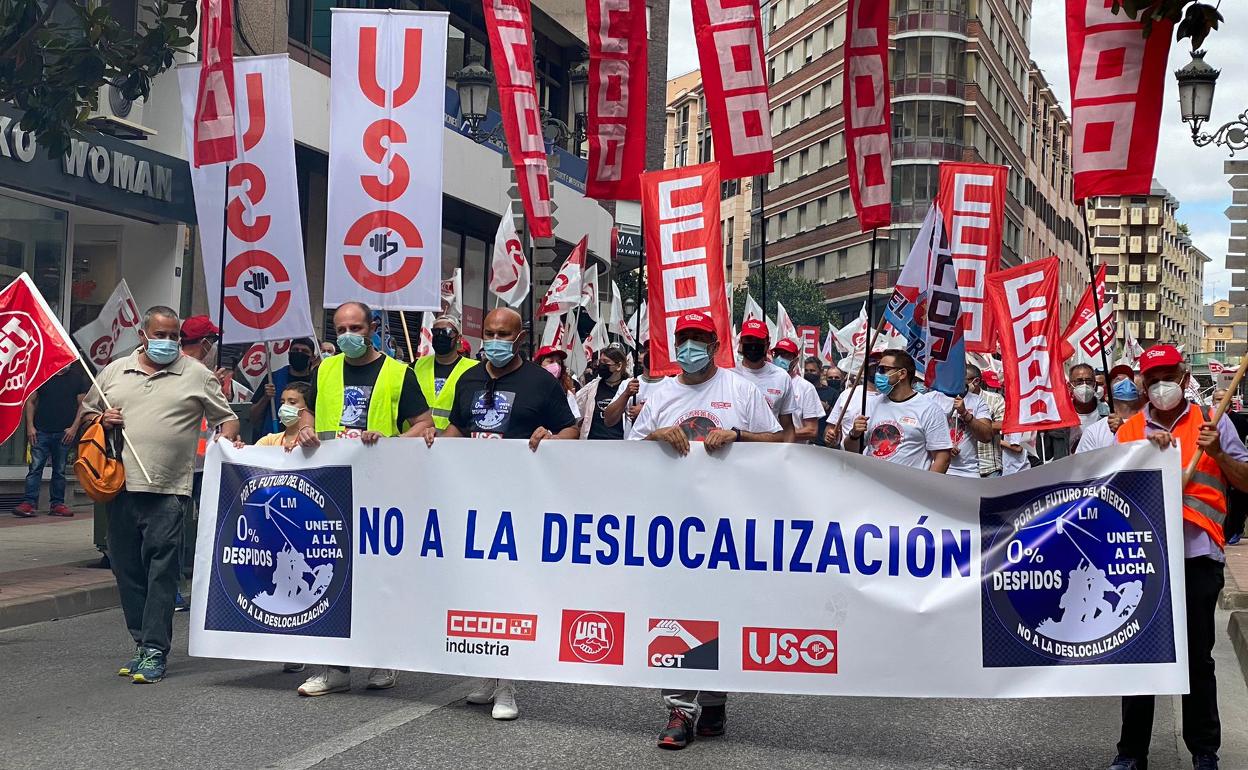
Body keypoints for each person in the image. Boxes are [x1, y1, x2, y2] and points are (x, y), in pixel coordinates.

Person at [627, 310, 781, 750]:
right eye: (684, 339)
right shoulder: (659, 394)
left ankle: (713, 699)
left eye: (700, 339)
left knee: (723, 609)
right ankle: (679, 707)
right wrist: (655, 433)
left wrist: (738, 435)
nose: (690, 347)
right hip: (672, 525)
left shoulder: (741, 390)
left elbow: (778, 443)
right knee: (676, 610)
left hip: (729, 525)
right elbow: (628, 453)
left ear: (715, 346)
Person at [82, 306, 241, 684]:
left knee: (161, 572)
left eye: (174, 336)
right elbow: (88, 414)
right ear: (143, 335)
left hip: (169, 490)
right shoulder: (115, 371)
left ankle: (155, 649)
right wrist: (102, 419)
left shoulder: (197, 375)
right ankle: (140, 642)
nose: (168, 342)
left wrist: (228, 437)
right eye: (161, 335)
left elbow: (227, 417)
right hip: (119, 487)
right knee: (127, 569)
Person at [1108, 345, 1248, 770]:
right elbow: (1111, 492)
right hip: (1143, 561)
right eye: (1152, 378)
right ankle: (1131, 753)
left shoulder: (1215, 424)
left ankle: (1204, 751)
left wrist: (1220, 453)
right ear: (1142, 384)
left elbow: (1244, 482)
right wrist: (1147, 455)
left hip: (1198, 555)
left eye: (1168, 374)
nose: (1160, 384)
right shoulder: (1129, 432)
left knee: (1197, 658)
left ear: (1185, 376)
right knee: (1139, 656)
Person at [441, 307, 578, 720]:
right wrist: (434, 442)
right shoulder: (467, 379)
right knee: (477, 587)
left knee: (508, 590)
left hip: (519, 506)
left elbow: (572, 429)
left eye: (504, 334)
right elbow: (457, 431)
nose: (495, 340)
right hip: (472, 502)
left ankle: (507, 685)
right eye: (489, 333)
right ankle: (486, 673)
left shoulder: (540, 382)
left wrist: (550, 438)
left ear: (519, 339)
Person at [294, 301, 434, 697]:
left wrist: (390, 444)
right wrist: (304, 428)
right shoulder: (326, 369)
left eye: (355, 327)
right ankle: (334, 667)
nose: (347, 336)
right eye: (340, 329)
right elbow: (309, 414)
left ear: (373, 327)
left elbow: (423, 425)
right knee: (327, 572)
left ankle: (382, 656)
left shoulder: (397, 373)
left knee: (376, 576)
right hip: (329, 487)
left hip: (379, 489)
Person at [844, 349, 952, 472]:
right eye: (878, 369)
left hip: (905, 488)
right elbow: (852, 451)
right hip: (870, 483)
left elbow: (942, 458)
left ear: (902, 374)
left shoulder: (929, 409)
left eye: (883, 370)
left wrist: (923, 489)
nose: (878, 374)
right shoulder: (872, 404)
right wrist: (854, 434)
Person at [15, 364, 89, 517]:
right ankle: (29, 503)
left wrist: (74, 428)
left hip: (64, 432)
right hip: (41, 431)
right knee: (35, 469)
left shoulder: (77, 378)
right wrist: (30, 427)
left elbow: (83, 405)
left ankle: (57, 504)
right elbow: (30, 401)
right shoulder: (42, 374)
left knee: (59, 470)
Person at [413, 316, 479, 431]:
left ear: (458, 338)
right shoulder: (417, 366)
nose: (440, 336)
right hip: (417, 440)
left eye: (446, 332)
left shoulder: (474, 370)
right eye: (436, 332)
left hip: (453, 442)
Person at [734, 319, 796, 441]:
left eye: (758, 341)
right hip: (734, 450)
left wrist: (788, 456)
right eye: (749, 340)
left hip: (768, 450)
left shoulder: (781, 377)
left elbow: (787, 426)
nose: (753, 345)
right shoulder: (730, 373)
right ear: (741, 343)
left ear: (767, 345)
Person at [924, 370, 993, 478]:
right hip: (934, 470)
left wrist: (965, 414)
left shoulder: (977, 401)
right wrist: (943, 448)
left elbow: (987, 436)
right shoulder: (928, 399)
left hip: (968, 473)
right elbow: (918, 435)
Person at [249, 337, 319, 442]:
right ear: (289, 353)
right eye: (295, 350)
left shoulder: (318, 381)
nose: (299, 353)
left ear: (313, 357)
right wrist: (266, 398)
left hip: (306, 441)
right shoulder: (272, 378)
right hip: (273, 443)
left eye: (304, 351)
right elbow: (252, 417)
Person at [179, 316, 252, 403]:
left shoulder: (172, 361)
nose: (213, 344)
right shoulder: (197, 370)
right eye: (214, 339)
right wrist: (212, 384)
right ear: (204, 342)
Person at [1076, 364, 1143, 454]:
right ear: (1107, 396)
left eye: (1130, 380)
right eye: (1118, 380)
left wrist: (1124, 430)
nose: (1126, 382)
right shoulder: (1094, 432)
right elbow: (1083, 465)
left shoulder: (1152, 423)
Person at [575, 344, 635, 439]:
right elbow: (575, 410)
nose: (601, 366)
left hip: (620, 445)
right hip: (593, 443)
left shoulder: (631, 388)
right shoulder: (592, 387)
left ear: (619, 366)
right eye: (600, 362)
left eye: (605, 362)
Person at [1215, 387, 1248, 546]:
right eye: (1217, 399)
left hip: (1235, 464)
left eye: (1223, 399)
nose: (1220, 403)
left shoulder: (1240, 420)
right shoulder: (1211, 419)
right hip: (1218, 470)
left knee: (1238, 501)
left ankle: (1236, 529)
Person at [776, 344, 821, 443]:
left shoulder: (806, 388)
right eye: (778, 354)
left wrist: (780, 436)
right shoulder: (766, 383)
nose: (780, 358)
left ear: (795, 360)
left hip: (794, 452)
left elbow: (811, 430)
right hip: (765, 449)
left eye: (786, 355)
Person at [969, 367, 1005, 477]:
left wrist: (973, 424)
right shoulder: (956, 400)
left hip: (988, 466)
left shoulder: (995, 399)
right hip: (964, 468)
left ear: (976, 382)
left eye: (963, 380)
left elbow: (1003, 424)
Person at [256, 382, 313, 451]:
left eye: (292, 402)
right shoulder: (269, 440)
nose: (284, 406)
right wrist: (240, 448)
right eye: (282, 402)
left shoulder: (314, 439)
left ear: (308, 407)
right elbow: (252, 456)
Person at [535, 345, 582, 424]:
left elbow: (573, 422)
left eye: (559, 362)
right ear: (539, 363)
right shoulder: (528, 386)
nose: (556, 365)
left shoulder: (566, 391)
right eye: (550, 361)